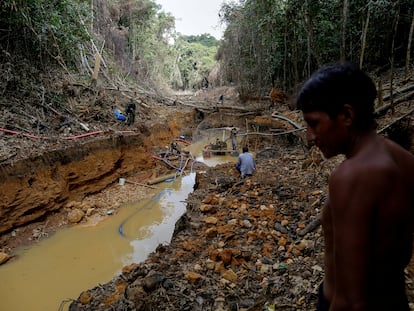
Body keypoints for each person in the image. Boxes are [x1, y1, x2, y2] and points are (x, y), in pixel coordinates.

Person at [296, 62, 414, 311]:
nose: (309, 135)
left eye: (314, 123)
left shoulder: (352, 175)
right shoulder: (403, 159)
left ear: (347, 116)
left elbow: (351, 301)